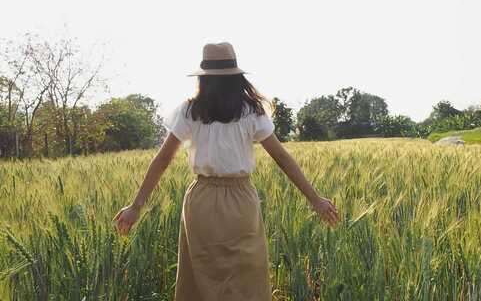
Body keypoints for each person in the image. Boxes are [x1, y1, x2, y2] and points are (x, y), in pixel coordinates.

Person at [113, 42, 340, 301]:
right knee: (247, 279)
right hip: (241, 201)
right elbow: (282, 158)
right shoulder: (251, 111)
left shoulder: (190, 110)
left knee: (201, 280)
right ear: (236, 77)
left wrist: (136, 205)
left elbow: (163, 159)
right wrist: (315, 199)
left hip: (202, 201)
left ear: (204, 79)